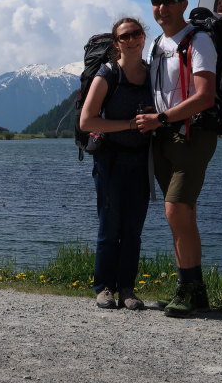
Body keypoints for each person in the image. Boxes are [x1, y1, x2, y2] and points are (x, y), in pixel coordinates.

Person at [135, 0, 217, 317]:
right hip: (164, 136)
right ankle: (194, 290)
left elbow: (205, 95)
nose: (161, 7)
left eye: (169, 1)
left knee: (176, 211)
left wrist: (161, 118)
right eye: (155, 1)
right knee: (181, 216)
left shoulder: (199, 42)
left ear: (183, 4)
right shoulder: (157, 44)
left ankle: (187, 287)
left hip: (191, 135)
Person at [79, 17, 153, 311]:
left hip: (141, 161)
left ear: (144, 37)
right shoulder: (107, 74)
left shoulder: (153, 73)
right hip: (110, 161)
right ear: (116, 43)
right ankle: (104, 287)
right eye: (125, 36)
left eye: (136, 33)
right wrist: (129, 125)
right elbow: (87, 121)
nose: (132, 39)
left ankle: (127, 289)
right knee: (110, 227)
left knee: (133, 230)